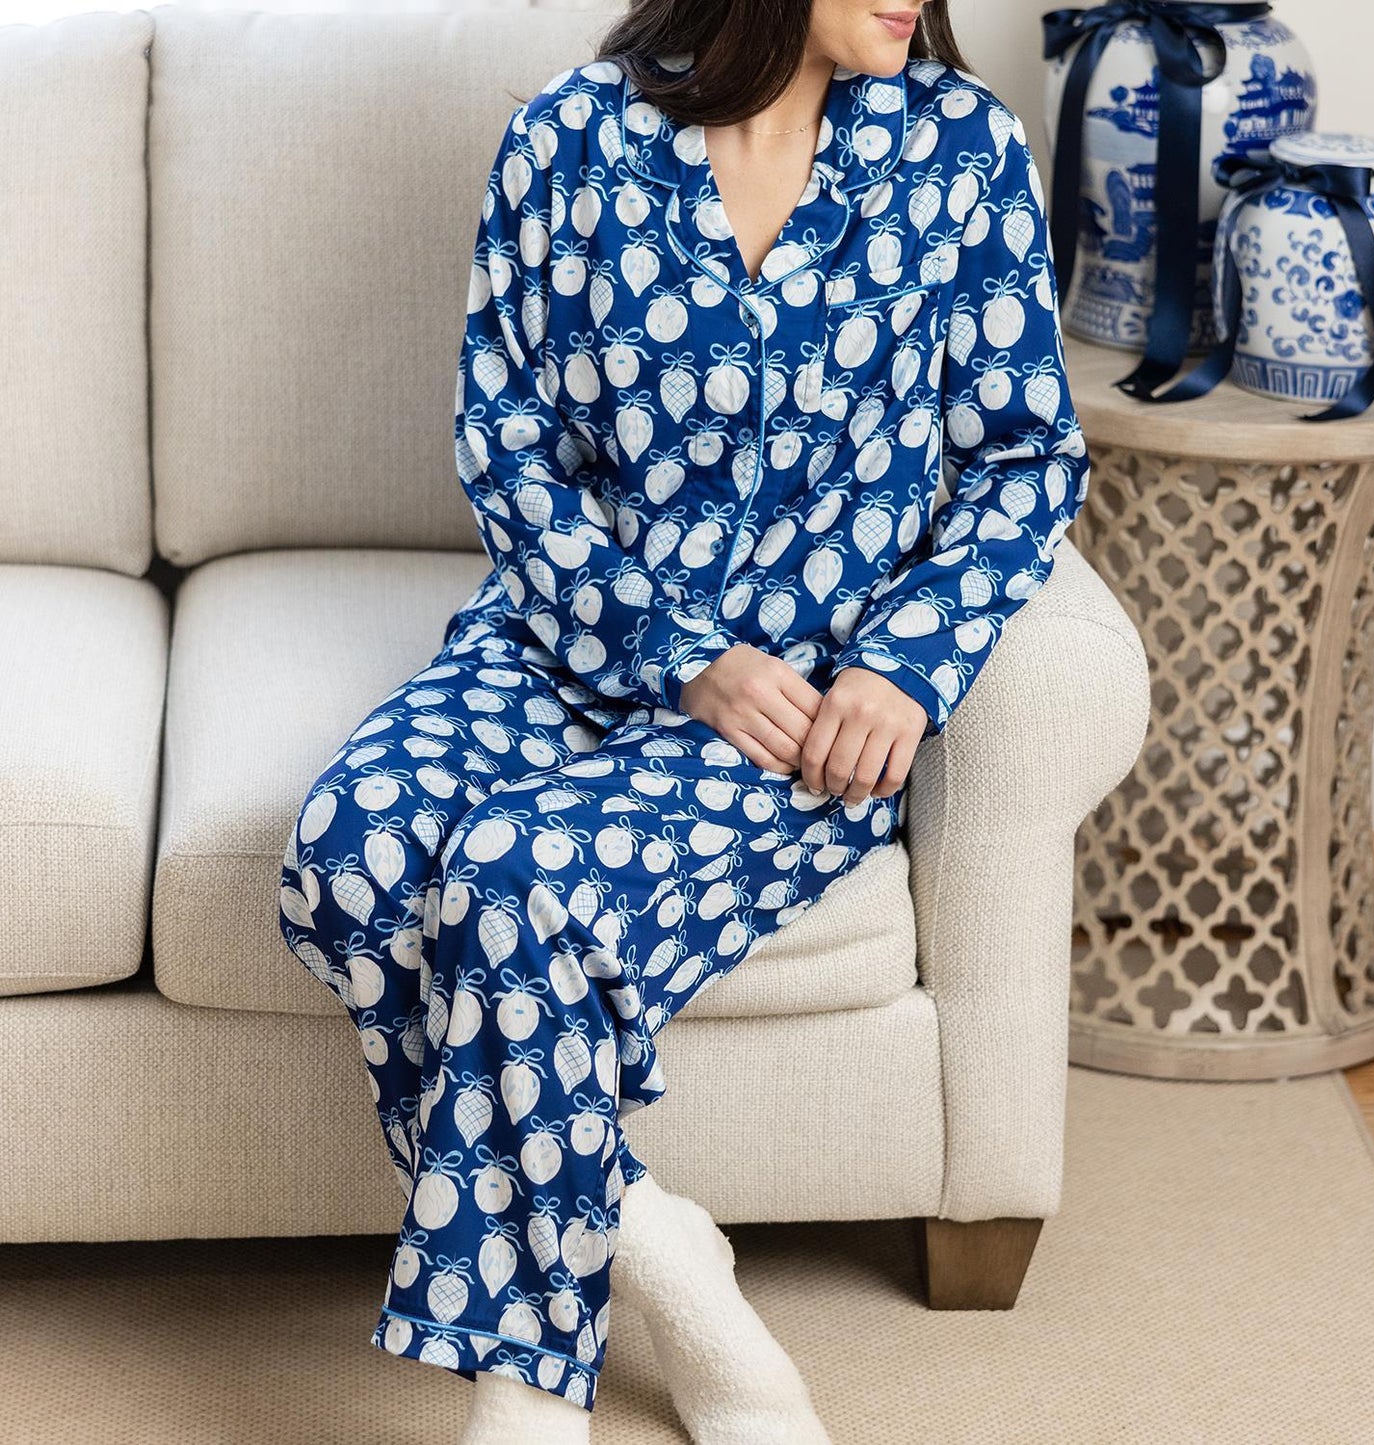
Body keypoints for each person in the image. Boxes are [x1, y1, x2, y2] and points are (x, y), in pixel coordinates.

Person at [276, 0, 1091, 1439]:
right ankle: (666, 1260)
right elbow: (507, 449)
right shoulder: (569, 141)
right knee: (351, 852)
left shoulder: (961, 150)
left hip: (803, 709)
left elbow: (1025, 460)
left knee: (516, 882)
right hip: (567, 640)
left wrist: (906, 668)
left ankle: (524, 1393)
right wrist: (678, 652)